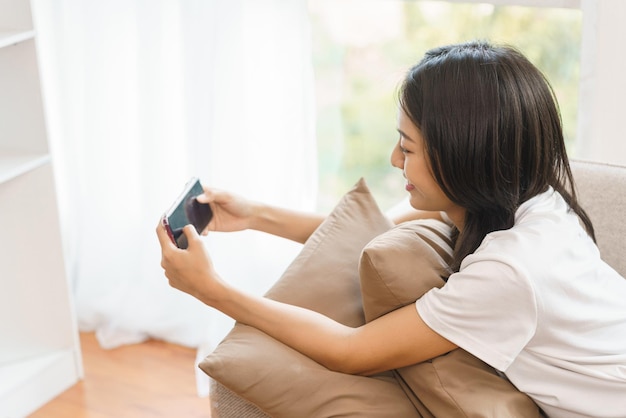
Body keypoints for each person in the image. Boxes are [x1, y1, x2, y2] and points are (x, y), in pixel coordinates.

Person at [156, 41, 626, 417]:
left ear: (466, 156)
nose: (394, 160)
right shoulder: (527, 193)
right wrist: (256, 215)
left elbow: (352, 350)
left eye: (408, 148)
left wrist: (211, 290)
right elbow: (375, 231)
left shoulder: (509, 270)